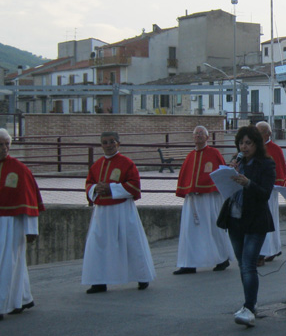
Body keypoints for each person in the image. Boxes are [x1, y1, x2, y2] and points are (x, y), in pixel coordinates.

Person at [81, 132, 156, 294]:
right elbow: (89, 183)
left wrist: (111, 188)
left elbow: (135, 185)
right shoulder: (97, 164)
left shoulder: (127, 163)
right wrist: (96, 189)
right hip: (102, 211)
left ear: (118, 144)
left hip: (122, 209)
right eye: (104, 142)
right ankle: (99, 281)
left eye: (111, 142)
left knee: (130, 243)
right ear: (101, 145)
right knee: (98, 245)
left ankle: (141, 276)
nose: (108, 145)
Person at [227, 126, 276, 327]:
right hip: (235, 218)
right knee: (242, 263)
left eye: (248, 143)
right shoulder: (236, 162)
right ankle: (249, 304)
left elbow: (265, 192)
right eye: (241, 143)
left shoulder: (266, 164)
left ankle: (249, 306)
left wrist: (248, 183)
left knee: (249, 264)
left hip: (255, 220)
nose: (244, 147)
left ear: (256, 144)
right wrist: (227, 174)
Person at [173, 126, 234, 275]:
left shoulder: (214, 153)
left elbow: (220, 173)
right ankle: (189, 263)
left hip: (209, 198)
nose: (198, 136)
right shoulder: (190, 156)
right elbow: (185, 176)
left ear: (207, 138)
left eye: (202, 134)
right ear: (193, 137)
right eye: (196, 134)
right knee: (189, 232)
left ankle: (222, 258)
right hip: (192, 199)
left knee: (213, 228)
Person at [0, 129, 43, 320]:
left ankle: (2, 304)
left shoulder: (19, 169)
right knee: (15, 264)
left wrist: (31, 229)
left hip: (11, 222)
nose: (4, 148)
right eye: (0, 144)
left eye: (6, 144)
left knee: (8, 263)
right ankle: (22, 298)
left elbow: (30, 199)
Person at [256, 121, 286, 265]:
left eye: (259, 132)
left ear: (268, 134)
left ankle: (265, 251)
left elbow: (279, 170)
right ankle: (267, 250)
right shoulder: (253, 147)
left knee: (268, 219)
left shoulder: (275, 149)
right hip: (254, 190)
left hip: (269, 191)